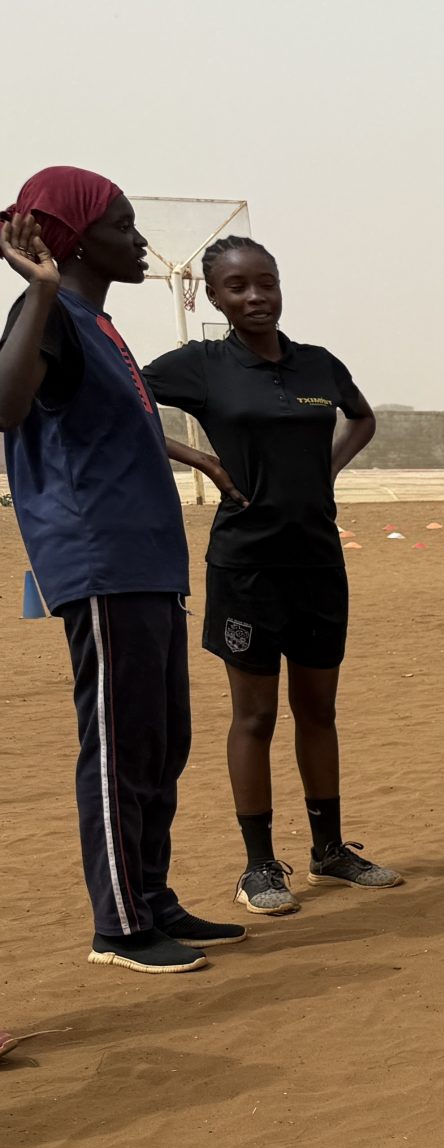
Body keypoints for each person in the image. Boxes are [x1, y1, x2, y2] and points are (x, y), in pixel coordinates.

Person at [2, 167, 241, 972]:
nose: (139, 241)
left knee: (158, 738)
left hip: (147, 559)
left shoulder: (98, 326)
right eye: (124, 225)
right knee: (114, 741)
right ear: (73, 239)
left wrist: (192, 458)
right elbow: (5, 406)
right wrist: (36, 291)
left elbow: (115, 426)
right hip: (99, 558)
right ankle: (120, 925)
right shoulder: (51, 315)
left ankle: (153, 895)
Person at [146, 236, 398, 914]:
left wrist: (329, 471)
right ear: (215, 296)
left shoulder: (318, 365)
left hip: (317, 559)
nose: (255, 296)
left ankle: (330, 851)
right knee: (254, 715)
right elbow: (122, 400)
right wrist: (199, 463)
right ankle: (259, 866)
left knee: (318, 709)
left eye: (266, 282)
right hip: (246, 566)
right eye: (237, 287)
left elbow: (363, 417)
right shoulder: (201, 366)